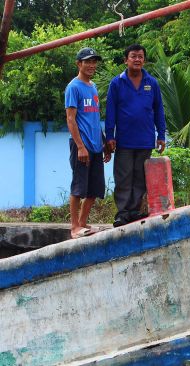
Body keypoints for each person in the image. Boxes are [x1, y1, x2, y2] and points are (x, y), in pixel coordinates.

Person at [105, 44, 166, 227]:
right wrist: (109, 136)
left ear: (144, 60)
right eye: (133, 56)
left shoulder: (152, 83)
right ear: (126, 60)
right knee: (123, 177)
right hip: (124, 140)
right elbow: (110, 112)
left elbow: (159, 110)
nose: (137, 59)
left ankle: (134, 212)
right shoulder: (116, 83)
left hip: (146, 140)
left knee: (140, 178)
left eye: (140, 56)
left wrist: (161, 134)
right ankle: (122, 214)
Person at [65, 47, 112, 238]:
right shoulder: (73, 87)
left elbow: (94, 119)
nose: (92, 65)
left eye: (94, 62)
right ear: (79, 64)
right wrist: (81, 146)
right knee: (78, 187)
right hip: (81, 146)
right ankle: (74, 227)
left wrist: (104, 144)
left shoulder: (92, 87)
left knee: (94, 188)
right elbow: (71, 119)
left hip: (95, 145)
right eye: (88, 61)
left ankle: (83, 223)